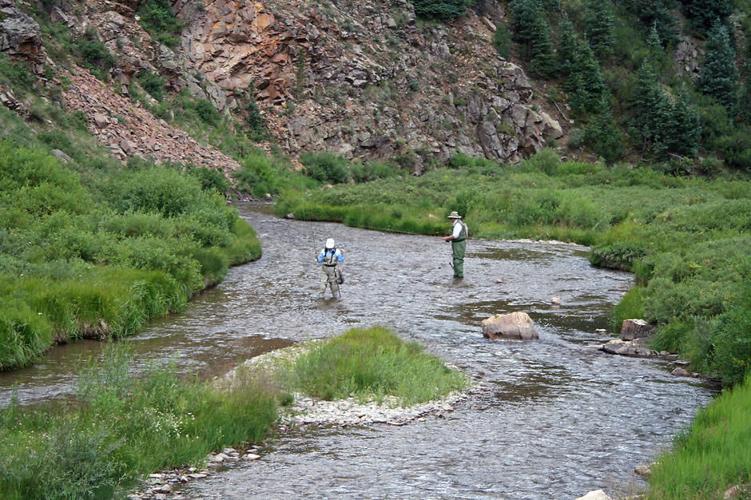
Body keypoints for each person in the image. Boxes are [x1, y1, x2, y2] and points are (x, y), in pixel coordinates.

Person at [443, 211, 468, 279]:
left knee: (458, 259)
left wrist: (447, 238)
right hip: (458, 243)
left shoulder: (457, 225)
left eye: (451, 218)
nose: (450, 220)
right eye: (450, 218)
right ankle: (456, 275)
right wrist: (449, 239)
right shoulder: (458, 223)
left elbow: (455, 236)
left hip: (459, 244)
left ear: (454, 218)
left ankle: (459, 276)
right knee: (456, 258)